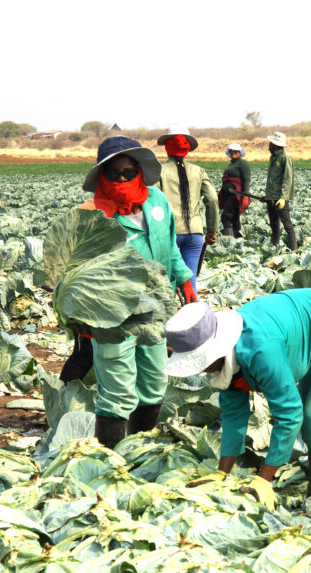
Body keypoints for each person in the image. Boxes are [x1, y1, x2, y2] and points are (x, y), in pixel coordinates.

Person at [163, 286, 311, 503]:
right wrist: (222, 473)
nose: (200, 370)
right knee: (309, 407)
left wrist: (263, 480)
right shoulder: (225, 358)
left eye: (199, 362)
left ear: (215, 351)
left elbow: (290, 414)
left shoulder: (260, 350)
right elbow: (233, 414)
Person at [80, 135, 197, 448]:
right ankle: (110, 458)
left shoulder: (156, 201)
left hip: (155, 307)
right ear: (101, 175)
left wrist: (184, 279)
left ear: (139, 171)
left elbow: (169, 245)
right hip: (112, 314)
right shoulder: (91, 214)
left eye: (128, 172)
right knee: (117, 389)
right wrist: (79, 314)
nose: (121, 179)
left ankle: (139, 449)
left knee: (154, 380)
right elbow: (71, 270)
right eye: (113, 173)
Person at [156, 126, 219, 292]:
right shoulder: (199, 171)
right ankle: (192, 306)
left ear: (167, 148)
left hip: (168, 233)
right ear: (187, 150)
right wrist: (212, 230)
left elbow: (152, 201)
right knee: (190, 283)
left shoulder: (158, 171)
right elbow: (212, 199)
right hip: (194, 233)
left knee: (166, 281)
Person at [264, 131, 297, 250]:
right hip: (271, 197)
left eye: (271, 143)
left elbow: (288, 178)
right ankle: (275, 247)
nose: (269, 146)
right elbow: (271, 179)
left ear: (276, 145)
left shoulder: (285, 157)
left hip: (280, 198)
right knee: (274, 225)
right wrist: (267, 196)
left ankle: (294, 250)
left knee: (287, 225)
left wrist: (283, 197)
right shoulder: (272, 157)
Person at [219, 142, 252, 238]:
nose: (233, 153)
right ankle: (237, 238)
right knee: (234, 217)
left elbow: (246, 180)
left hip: (236, 194)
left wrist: (245, 196)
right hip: (229, 194)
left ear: (240, 153)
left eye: (236, 151)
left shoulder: (243, 163)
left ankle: (229, 238)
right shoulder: (232, 163)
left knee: (226, 216)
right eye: (231, 151)